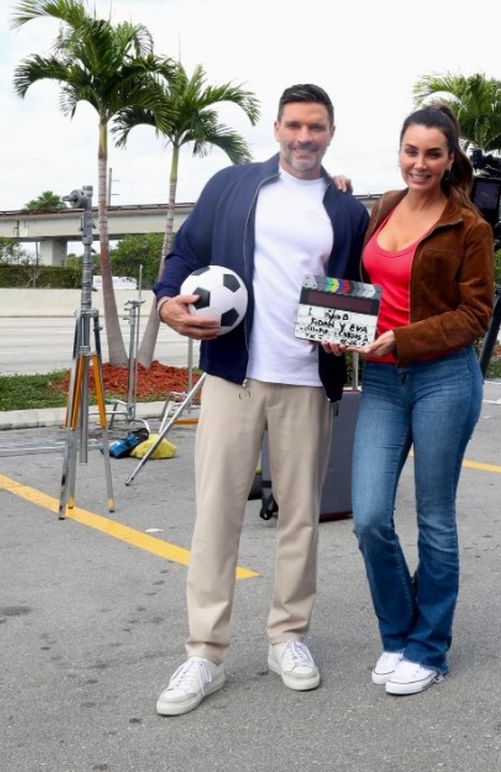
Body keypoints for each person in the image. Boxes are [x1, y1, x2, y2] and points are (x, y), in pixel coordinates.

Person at [152, 83, 369, 716]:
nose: (305, 137)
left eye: (317, 127)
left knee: (301, 517)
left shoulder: (346, 209)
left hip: (307, 381)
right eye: (295, 125)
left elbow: (352, 287)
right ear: (276, 128)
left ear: (331, 132)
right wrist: (168, 302)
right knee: (216, 514)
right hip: (232, 376)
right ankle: (204, 653)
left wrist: (343, 341)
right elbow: (185, 253)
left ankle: (288, 638)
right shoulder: (231, 186)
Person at [345, 105, 495, 695]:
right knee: (369, 518)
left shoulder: (469, 226)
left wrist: (405, 338)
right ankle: (399, 632)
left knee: (434, 519)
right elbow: (362, 283)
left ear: (450, 157)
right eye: (412, 150)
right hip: (381, 380)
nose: (420, 163)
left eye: (433, 153)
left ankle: (429, 649)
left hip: (443, 380)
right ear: (399, 149)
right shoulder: (383, 207)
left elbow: (475, 315)